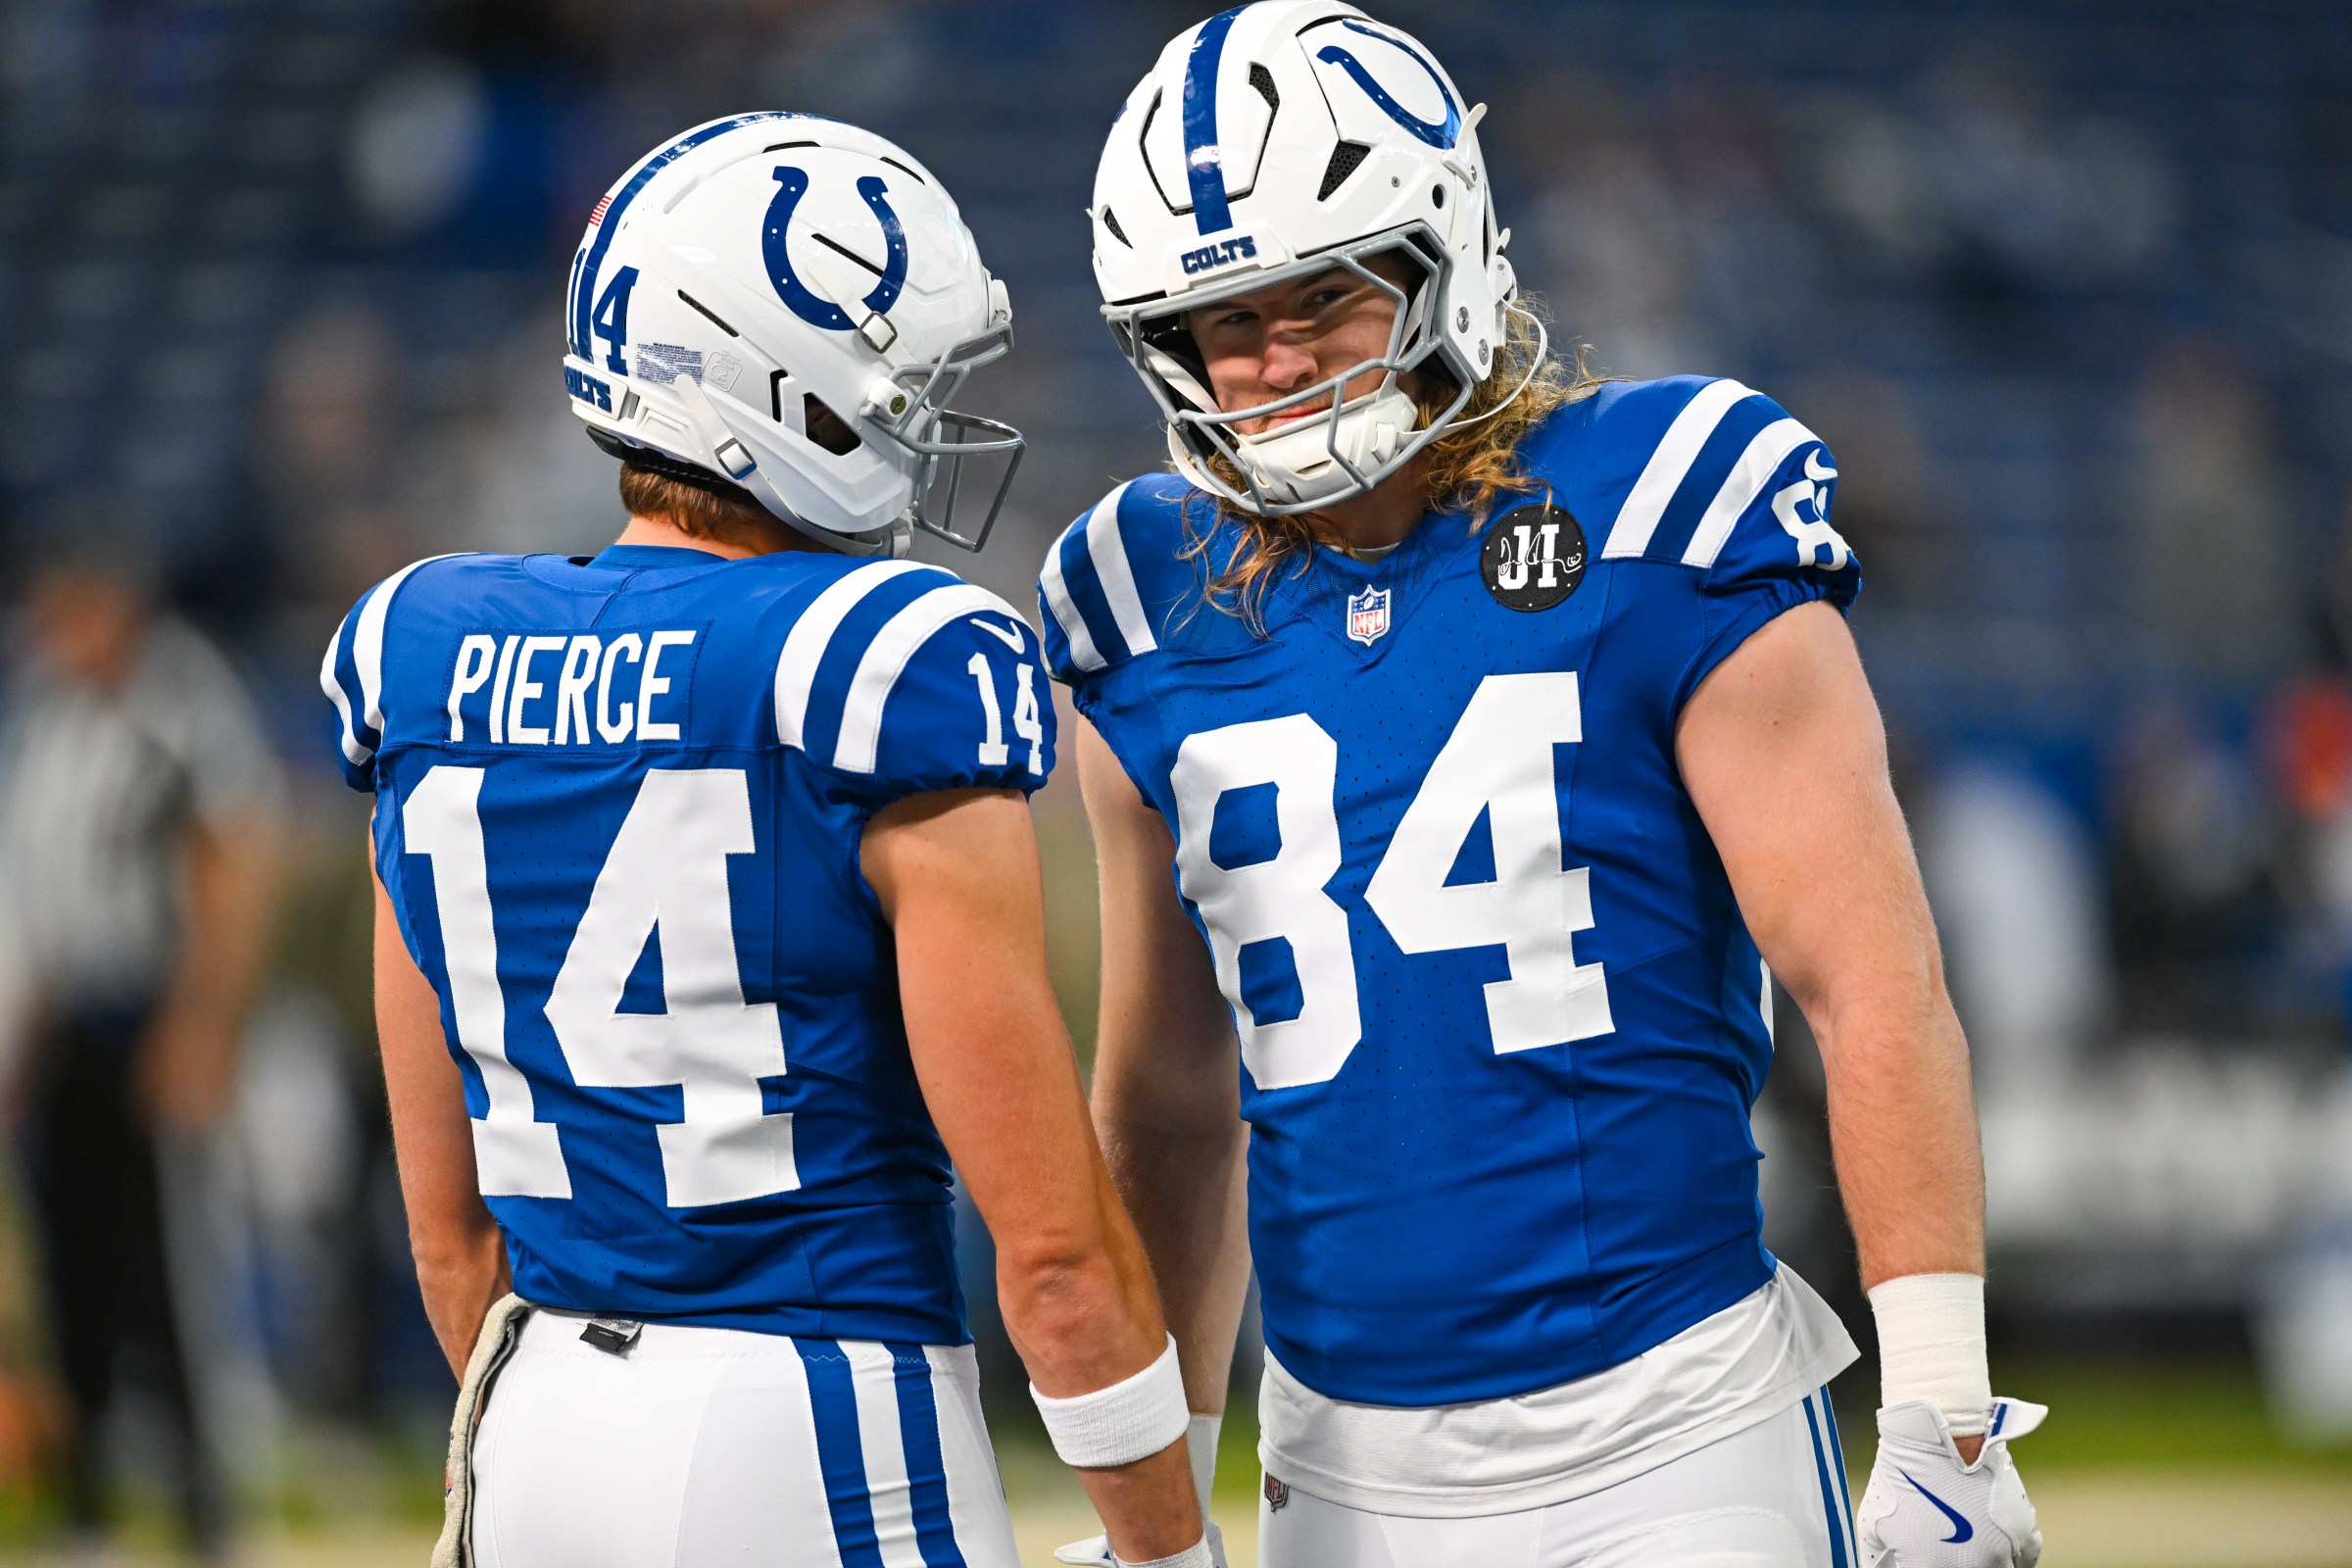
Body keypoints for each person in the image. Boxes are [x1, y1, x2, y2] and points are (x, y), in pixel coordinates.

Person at [1042, 7, 2041, 1567]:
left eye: (1325, 295)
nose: (1279, 358)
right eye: (1226, 322)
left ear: (1445, 253)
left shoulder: (1667, 494)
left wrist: (1941, 1412)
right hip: (1338, 1461)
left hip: (1676, 1423)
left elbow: (1866, 979)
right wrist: (1155, 1509)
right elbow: (1170, 1106)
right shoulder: (1134, 595)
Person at [322, 116, 1210, 1568]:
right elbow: (1053, 1263)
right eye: (910, 387)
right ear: (787, 394)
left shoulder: (419, 649)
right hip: (810, 1410)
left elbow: (447, 1238)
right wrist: (1170, 1552)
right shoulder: (881, 659)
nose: (929, 424)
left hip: (533, 1416)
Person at [0, 528, 283, 1559]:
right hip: (71, 1022)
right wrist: (23, 1052)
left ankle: (206, 1511)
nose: (50, 632)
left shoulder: (180, 699)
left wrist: (203, 1022)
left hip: (149, 1012)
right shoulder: (51, 716)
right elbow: (37, 904)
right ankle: (87, 1508)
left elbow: (235, 857)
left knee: (173, 1273)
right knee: (74, 1272)